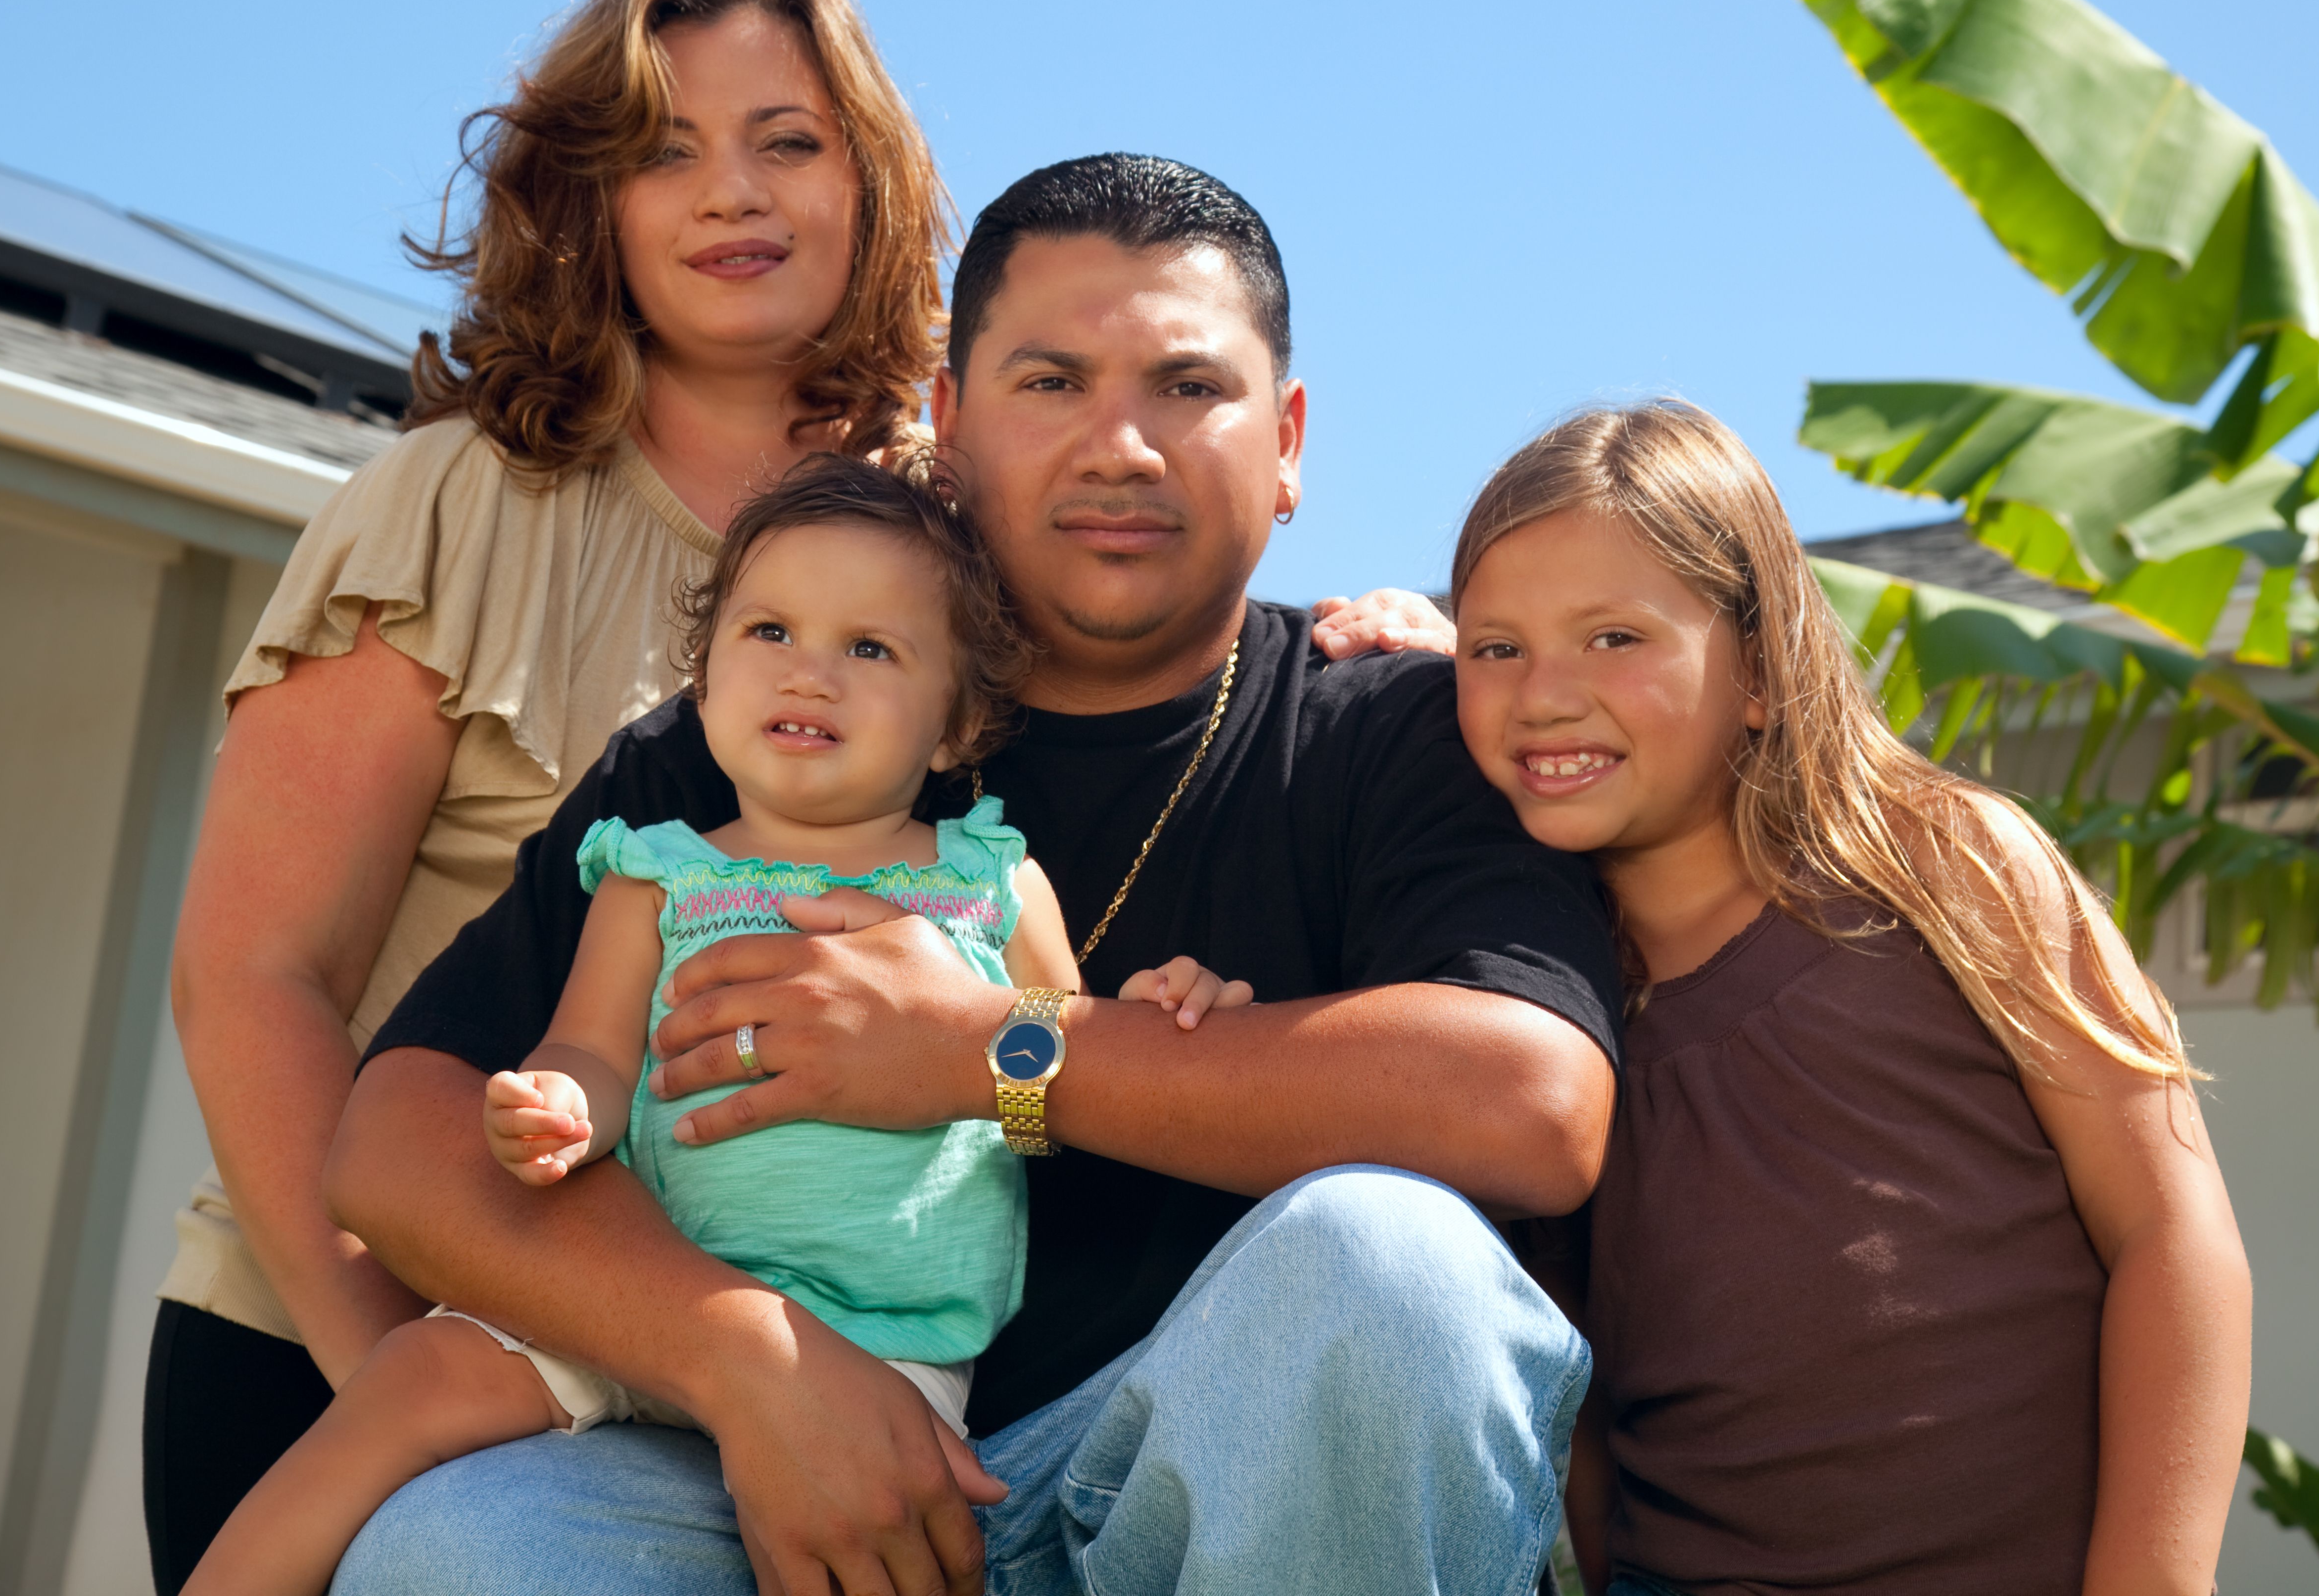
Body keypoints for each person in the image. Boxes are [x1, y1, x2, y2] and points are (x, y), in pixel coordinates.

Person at [148, 0, 1431, 1589]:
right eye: (662, 150)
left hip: (812, 1343)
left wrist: (1401, 628)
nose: (729, 193)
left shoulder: (953, 515)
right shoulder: (452, 507)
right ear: (584, 201)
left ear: (870, 179)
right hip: (381, 1315)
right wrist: (414, 1361)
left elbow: (1169, 589)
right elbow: (255, 980)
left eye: (788, 140)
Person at [321, 153, 1625, 1596]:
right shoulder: (773, 719)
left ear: (1290, 441)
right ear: (947, 424)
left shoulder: (1385, 727)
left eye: (1189, 388)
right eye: (1051, 382)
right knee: (457, 1550)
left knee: (1396, 1267)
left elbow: (1533, 1104)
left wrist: (980, 1051)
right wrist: (747, 1359)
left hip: (1185, 1486)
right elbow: (399, 1143)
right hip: (758, 1471)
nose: (1121, 446)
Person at [186, 455, 1256, 1596]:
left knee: (853, 1548)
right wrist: (557, 1108)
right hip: (655, 1307)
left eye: (870, 649)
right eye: (770, 633)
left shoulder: (989, 885)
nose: (812, 674)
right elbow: (591, 1051)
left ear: (958, 723)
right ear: (702, 685)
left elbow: (1053, 1081)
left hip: (888, 1338)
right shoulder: (658, 877)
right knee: (413, 1379)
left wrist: (1153, 1016)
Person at [1450, 402, 2252, 1596]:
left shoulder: (1947, 865)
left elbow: (2171, 1234)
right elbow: (1588, 1432)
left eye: (1615, 638)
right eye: (1492, 649)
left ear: (1764, 671)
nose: (1544, 695)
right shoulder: (1538, 1015)